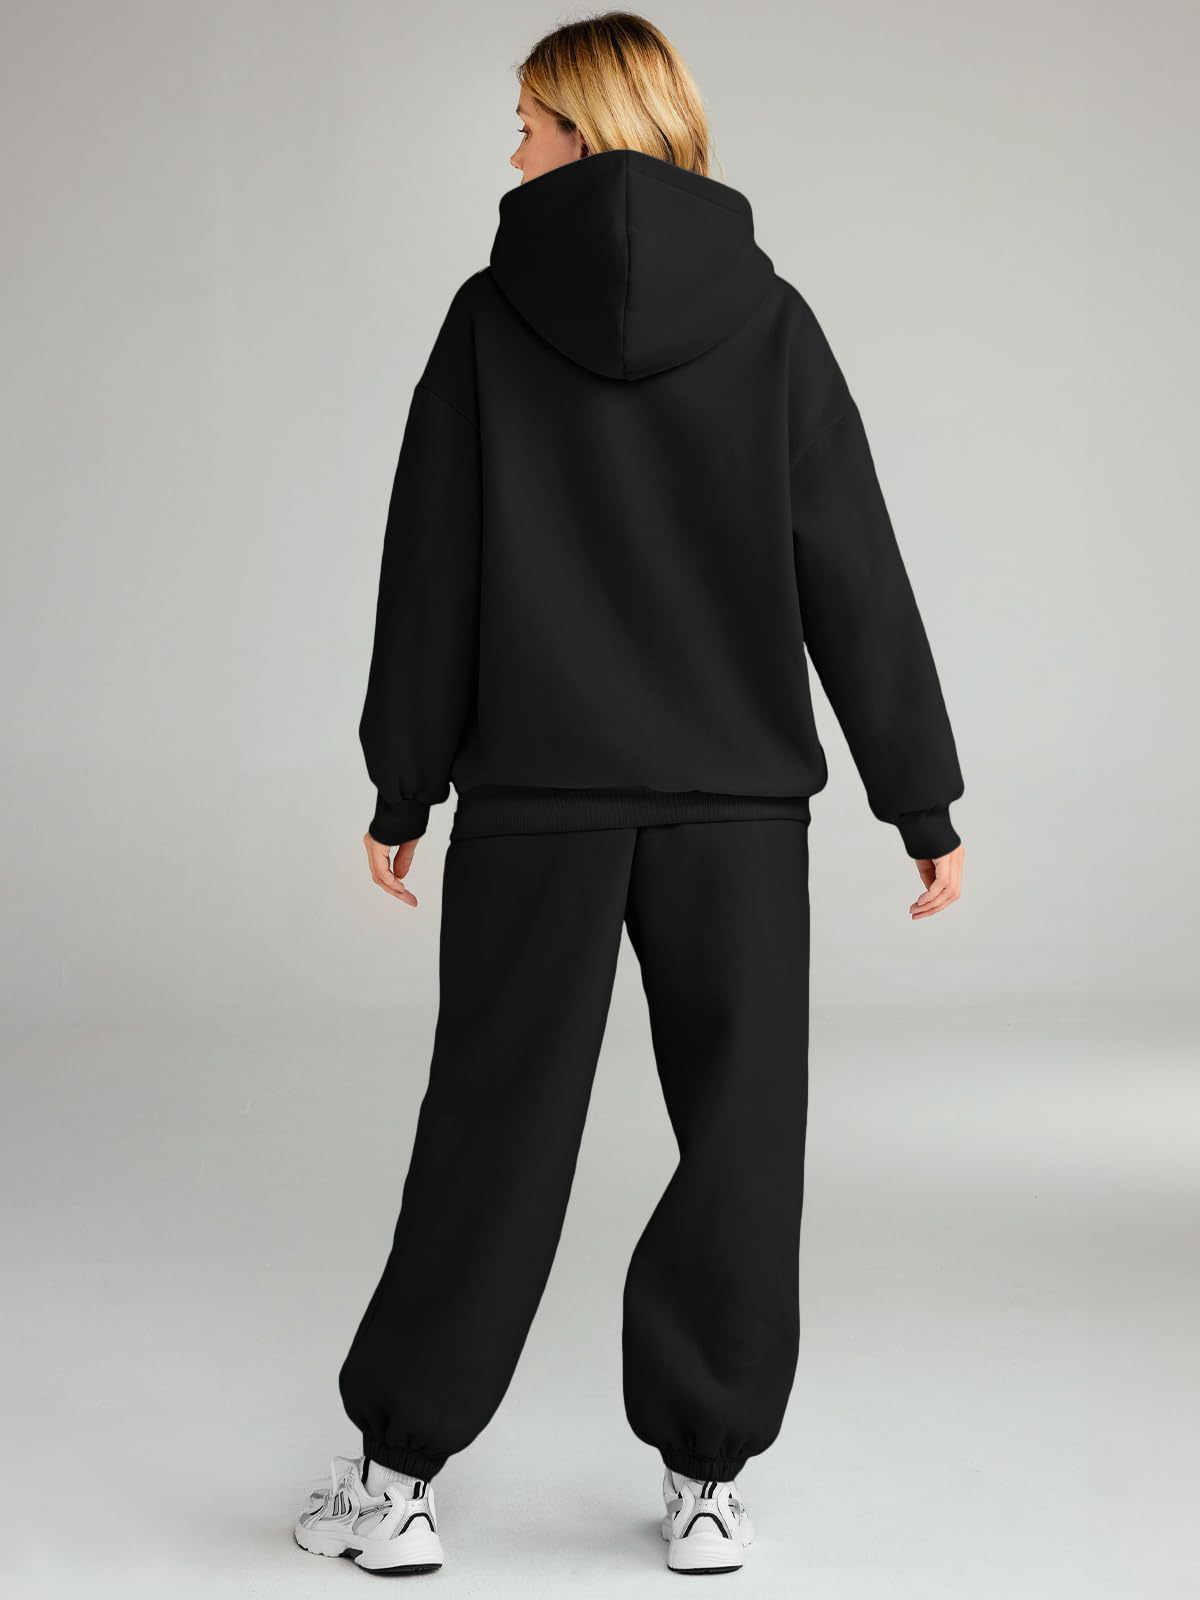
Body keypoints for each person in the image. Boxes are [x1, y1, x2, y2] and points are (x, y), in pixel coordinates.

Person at [294, 10, 964, 1579]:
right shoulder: (771, 319)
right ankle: (706, 1477)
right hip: (738, 809)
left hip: (539, 797)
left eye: (530, 124)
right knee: (745, 1133)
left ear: (587, 132)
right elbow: (851, 567)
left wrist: (403, 786)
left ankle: (398, 1479)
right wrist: (919, 799)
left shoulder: (488, 318)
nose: (512, 150)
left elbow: (433, 568)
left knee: (492, 1127)